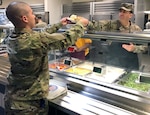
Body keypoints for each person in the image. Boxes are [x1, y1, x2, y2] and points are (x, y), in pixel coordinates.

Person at [4, 1, 88, 115]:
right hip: (30, 105)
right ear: (25, 18)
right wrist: (81, 25)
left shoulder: (11, 37)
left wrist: (59, 25)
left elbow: (40, 37)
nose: (34, 16)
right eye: (32, 13)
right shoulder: (35, 40)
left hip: (12, 98)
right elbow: (65, 40)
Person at [86, 2, 147, 70]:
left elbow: (145, 46)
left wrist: (134, 48)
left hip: (130, 63)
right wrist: (87, 23)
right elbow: (96, 25)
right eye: (120, 11)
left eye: (124, 12)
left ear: (130, 15)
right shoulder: (111, 24)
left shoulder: (136, 29)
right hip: (114, 60)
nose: (121, 13)